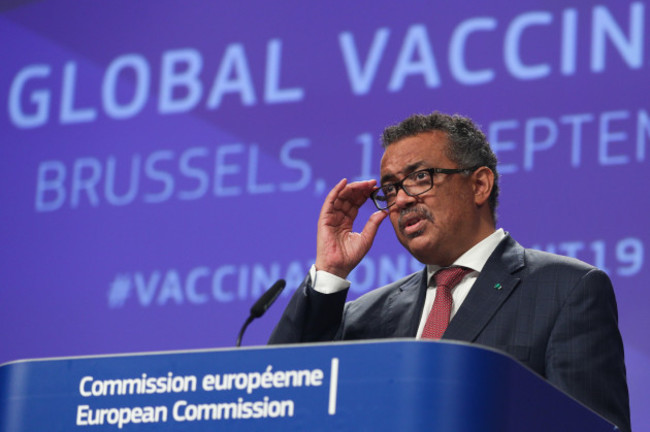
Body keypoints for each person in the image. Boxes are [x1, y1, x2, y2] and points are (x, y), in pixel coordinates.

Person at [268, 112, 630, 432]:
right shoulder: (366, 315)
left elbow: (591, 424)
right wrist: (330, 271)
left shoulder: (566, 290)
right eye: (391, 188)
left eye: (421, 177)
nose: (403, 199)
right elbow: (280, 394)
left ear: (479, 185)